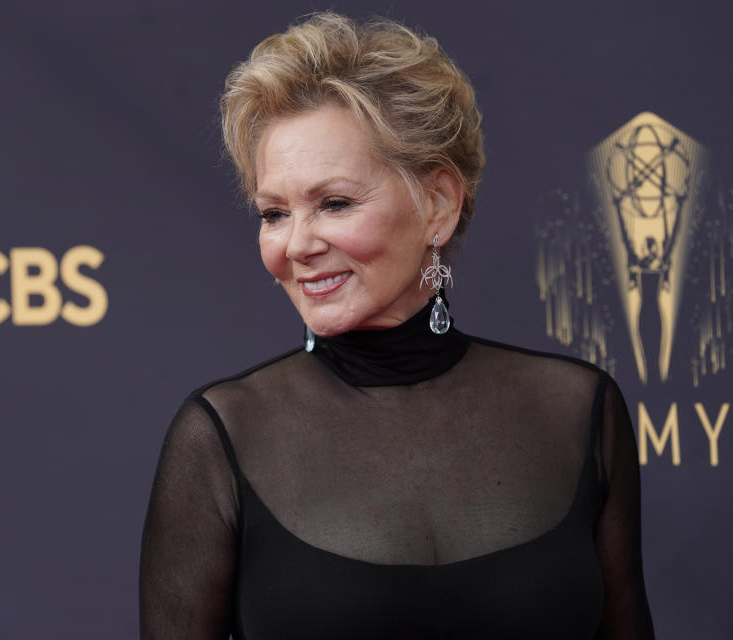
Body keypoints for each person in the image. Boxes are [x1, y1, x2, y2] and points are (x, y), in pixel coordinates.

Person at [139, 12, 655, 639]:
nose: (295, 244)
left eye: (334, 203)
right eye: (273, 213)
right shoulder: (222, 435)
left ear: (437, 203)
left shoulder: (577, 410)